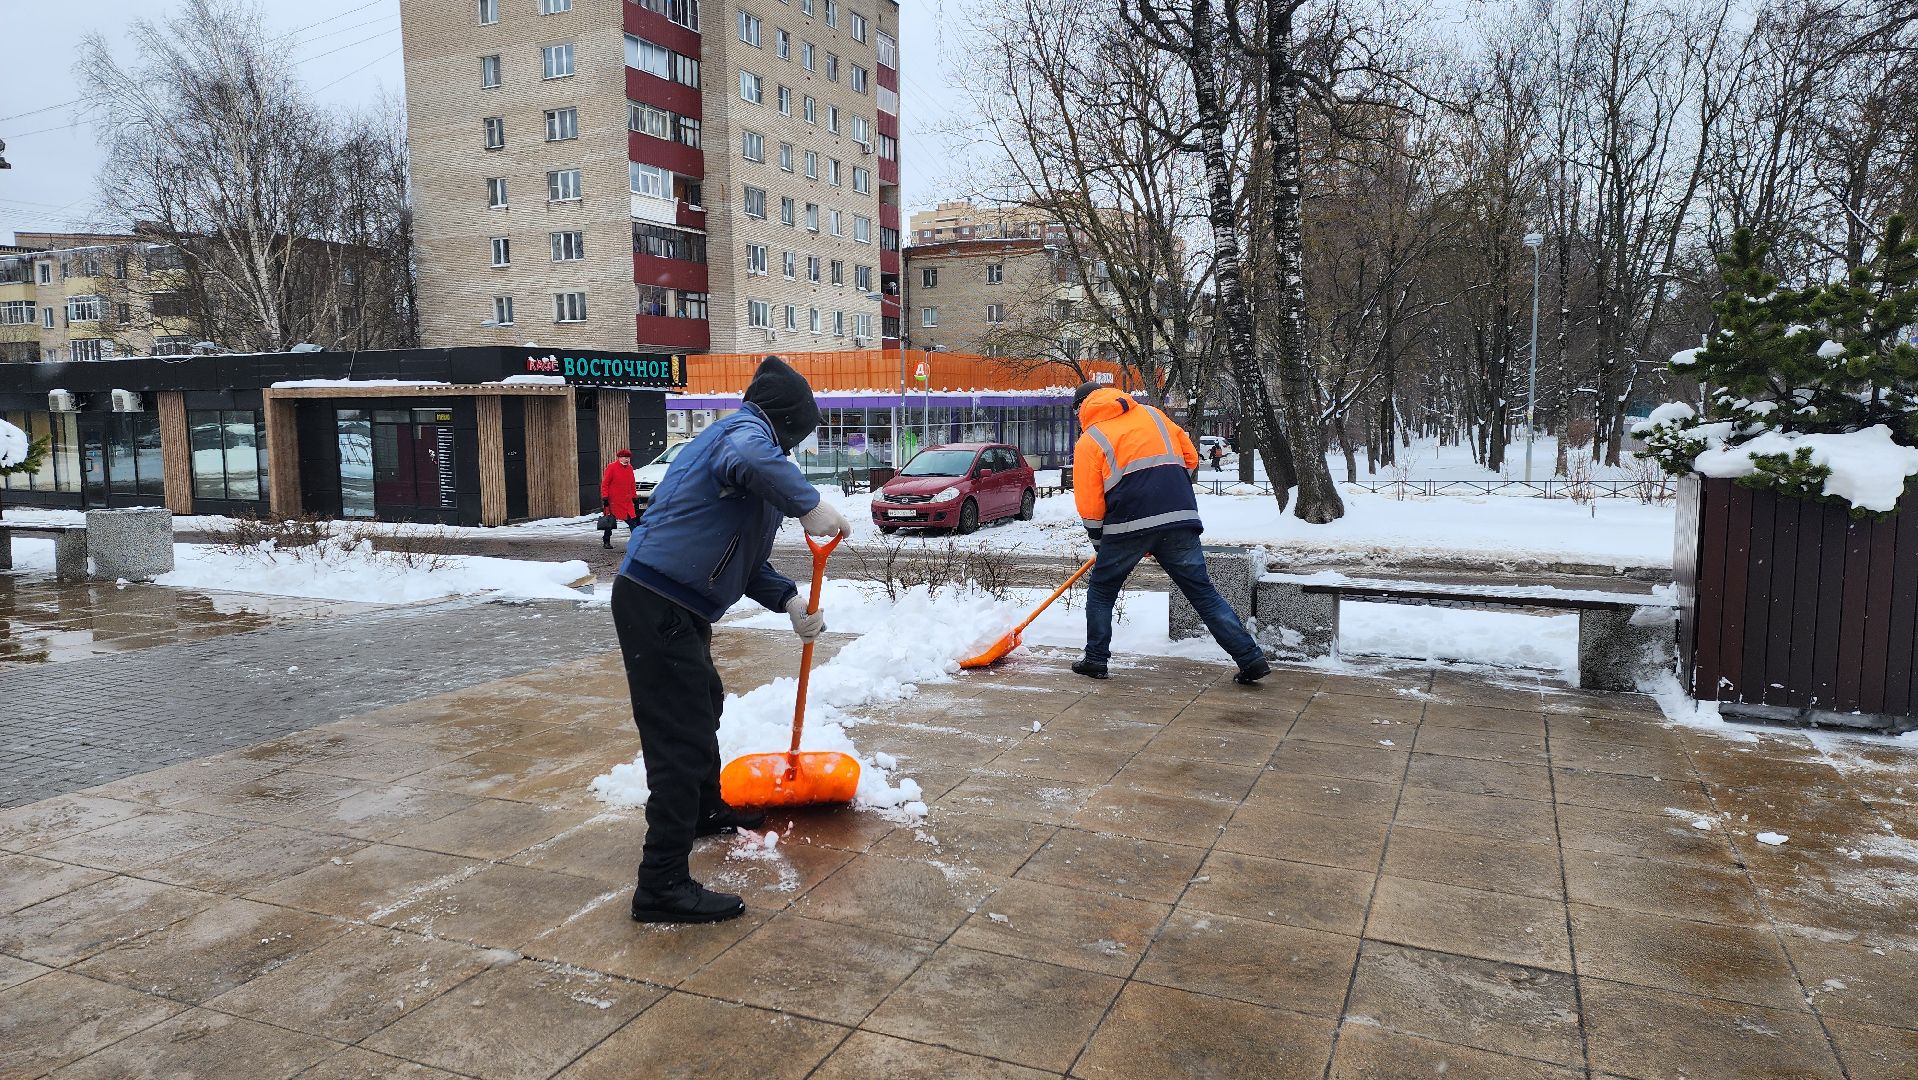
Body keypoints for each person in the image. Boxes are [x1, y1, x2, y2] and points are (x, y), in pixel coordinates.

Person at [612, 356, 851, 924]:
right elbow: (750, 457)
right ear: (785, 418)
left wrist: (789, 600)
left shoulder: (750, 458)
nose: (797, 443)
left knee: (704, 703)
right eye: (800, 429)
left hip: (678, 602)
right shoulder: (741, 435)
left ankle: (704, 811)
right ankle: (661, 883)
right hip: (656, 598)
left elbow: (744, 559)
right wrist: (808, 503)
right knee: (680, 736)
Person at [1070, 383, 1270, 685]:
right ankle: (1250, 658)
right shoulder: (1154, 415)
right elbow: (1190, 458)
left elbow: (1090, 502)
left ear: (1082, 407)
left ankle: (1096, 659)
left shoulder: (1091, 439)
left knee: (1102, 591)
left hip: (1127, 524)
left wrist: (1100, 542)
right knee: (1203, 593)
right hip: (1179, 517)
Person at [599, 449, 639, 548]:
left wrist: (634, 496)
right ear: (619, 457)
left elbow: (632, 484)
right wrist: (605, 497)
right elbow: (605, 483)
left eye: (628, 457)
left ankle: (637, 542)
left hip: (627, 501)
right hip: (614, 501)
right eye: (625, 457)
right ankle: (606, 541)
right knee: (610, 522)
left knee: (632, 522)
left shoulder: (630, 468)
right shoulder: (612, 467)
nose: (627, 459)